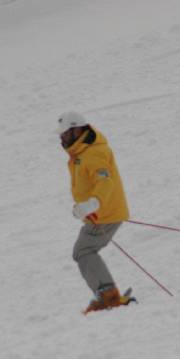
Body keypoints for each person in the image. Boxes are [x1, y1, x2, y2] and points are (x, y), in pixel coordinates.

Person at [56, 112, 134, 314]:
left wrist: (93, 204)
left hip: (105, 213)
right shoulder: (81, 153)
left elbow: (104, 181)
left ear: (76, 130)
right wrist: (82, 207)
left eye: (64, 133)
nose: (61, 138)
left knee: (83, 251)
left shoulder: (94, 152)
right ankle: (107, 295)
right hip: (100, 213)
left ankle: (108, 296)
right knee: (83, 251)